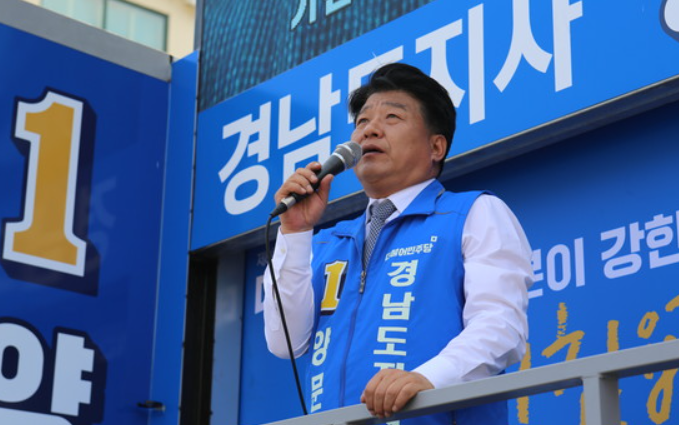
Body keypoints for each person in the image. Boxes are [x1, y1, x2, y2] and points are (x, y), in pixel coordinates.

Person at [263, 63, 533, 425]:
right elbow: (285, 342)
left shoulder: (473, 213)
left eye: (392, 117)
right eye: (362, 121)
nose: (370, 129)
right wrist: (294, 233)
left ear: (436, 146)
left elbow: (501, 327)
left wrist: (428, 378)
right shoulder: (327, 241)